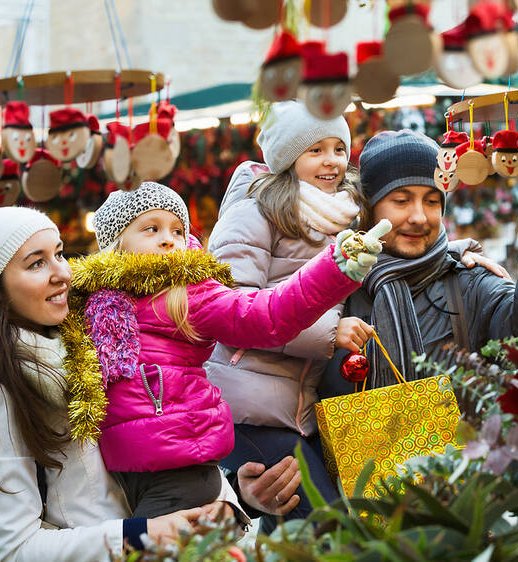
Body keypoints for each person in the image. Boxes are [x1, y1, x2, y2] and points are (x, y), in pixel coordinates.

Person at [203, 102, 506, 527]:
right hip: (254, 403)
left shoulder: (344, 216)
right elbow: (231, 309)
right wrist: (329, 331)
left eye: (337, 149)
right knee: (326, 528)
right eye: (314, 150)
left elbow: (398, 236)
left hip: (303, 414)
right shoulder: (264, 216)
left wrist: (455, 251)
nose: (330, 161)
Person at [63, 181, 385, 520]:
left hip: (179, 467)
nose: (167, 238)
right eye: (151, 228)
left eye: (176, 230)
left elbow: (267, 314)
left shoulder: (187, 294)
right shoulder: (96, 304)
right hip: (126, 468)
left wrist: (332, 270)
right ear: (116, 244)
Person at [0, 207, 241, 561]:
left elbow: (160, 458)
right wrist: (141, 535)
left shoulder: (99, 338)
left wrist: (235, 499)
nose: (63, 273)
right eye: (36, 264)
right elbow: (12, 548)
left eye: (60, 254)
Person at [319, 129, 518, 398]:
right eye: (401, 200)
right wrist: (326, 337)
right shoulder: (334, 285)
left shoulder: (469, 281)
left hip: (461, 440)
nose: (419, 217)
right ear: (369, 209)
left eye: (432, 201)